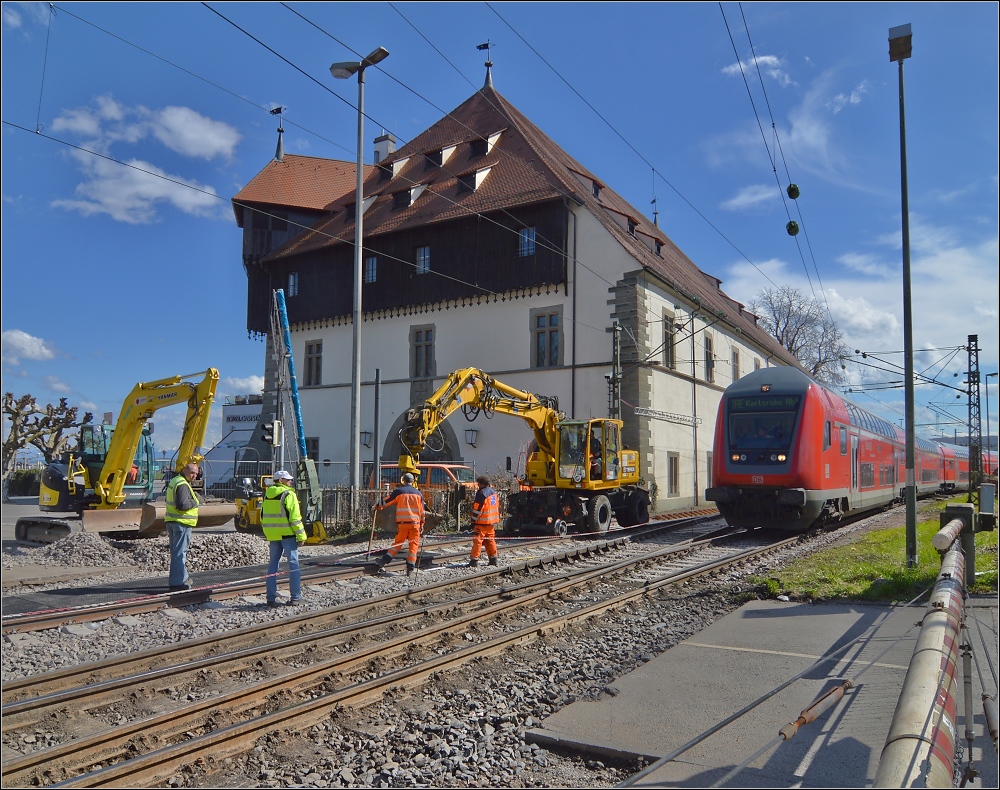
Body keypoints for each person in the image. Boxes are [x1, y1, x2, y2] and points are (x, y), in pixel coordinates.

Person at [261, 469, 306, 606]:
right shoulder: (289, 494)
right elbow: (295, 518)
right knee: (293, 565)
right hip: (288, 535)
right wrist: (301, 536)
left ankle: (270, 598)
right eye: (288, 479)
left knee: (273, 566)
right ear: (281, 481)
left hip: (273, 535)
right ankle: (296, 597)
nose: (290, 481)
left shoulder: (267, 495)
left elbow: (263, 516)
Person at [374, 473, 425, 577]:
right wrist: (422, 524)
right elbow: (422, 512)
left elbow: (387, 501)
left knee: (398, 543)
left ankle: (384, 561)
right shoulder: (419, 494)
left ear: (403, 480)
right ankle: (410, 568)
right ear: (413, 481)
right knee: (414, 546)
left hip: (402, 524)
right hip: (415, 524)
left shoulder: (399, 492)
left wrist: (377, 506)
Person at [164, 462, 199, 591]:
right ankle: (178, 582)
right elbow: (182, 505)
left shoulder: (175, 481)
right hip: (181, 523)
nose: (194, 476)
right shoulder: (183, 485)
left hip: (172, 521)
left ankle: (183, 578)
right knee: (180, 553)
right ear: (185, 471)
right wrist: (195, 502)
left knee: (176, 553)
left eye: (196, 473)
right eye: (192, 473)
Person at [468, 475, 500, 568]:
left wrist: (473, 521)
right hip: (491, 523)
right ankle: (493, 559)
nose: (478, 486)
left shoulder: (481, 494)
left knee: (477, 542)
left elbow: (477, 509)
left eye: (478, 484)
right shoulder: (493, 493)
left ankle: (474, 561)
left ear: (482, 484)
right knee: (490, 541)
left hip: (481, 523)